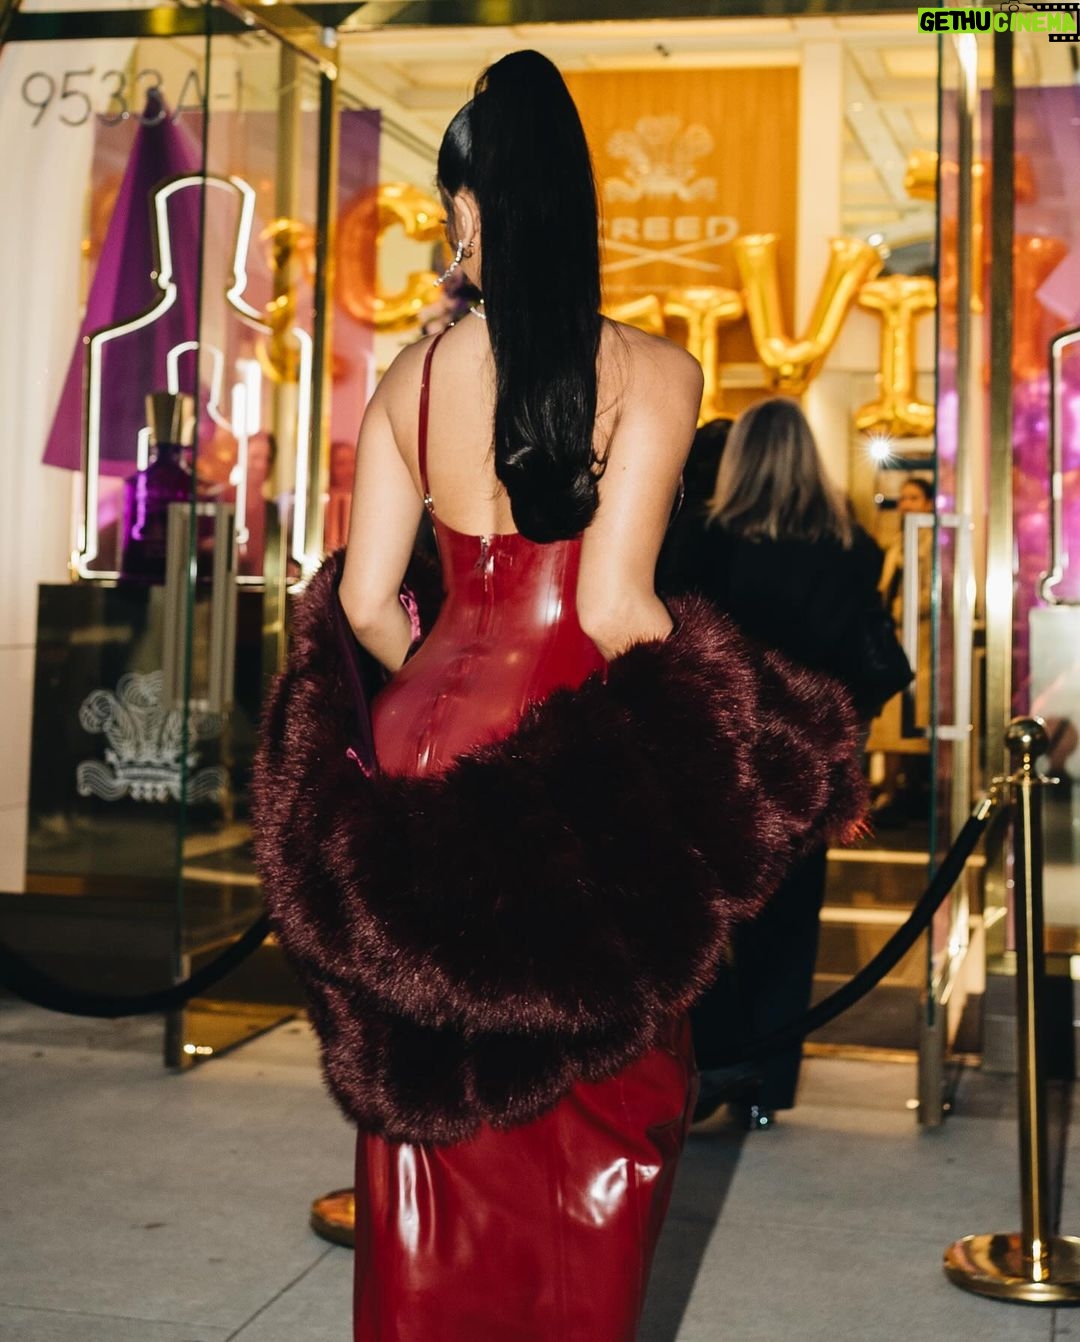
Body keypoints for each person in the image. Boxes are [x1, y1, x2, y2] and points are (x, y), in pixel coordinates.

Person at [252, 53, 866, 1342]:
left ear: (473, 209)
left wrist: (438, 674)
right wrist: (775, 736)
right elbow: (617, 610)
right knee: (608, 1099)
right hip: (576, 756)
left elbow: (366, 602)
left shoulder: (412, 378)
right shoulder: (655, 372)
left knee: (428, 1116)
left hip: (421, 754)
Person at [662, 397, 886, 1130]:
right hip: (814, 756)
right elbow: (866, 659)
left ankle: (724, 1054)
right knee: (790, 926)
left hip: (724, 751)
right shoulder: (852, 547)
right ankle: (768, 1088)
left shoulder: (704, 539)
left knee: (699, 915)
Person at [870, 474, 934, 826]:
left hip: (921, 640)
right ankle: (891, 790)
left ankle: (912, 790)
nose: (906, 505)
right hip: (894, 636)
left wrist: (901, 612)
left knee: (915, 717)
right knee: (892, 720)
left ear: (928, 504)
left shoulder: (932, 543)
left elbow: (930, 593)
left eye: (914, 498)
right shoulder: (896, 542)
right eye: (904, 498)